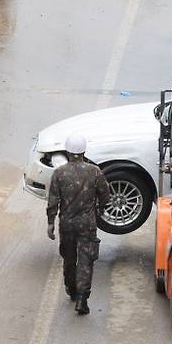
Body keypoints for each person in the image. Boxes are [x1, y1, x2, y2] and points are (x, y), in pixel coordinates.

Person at [47, 133, 110, 315]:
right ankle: (82, 298)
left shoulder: (59, 173)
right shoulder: (95, 171)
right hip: (87, 225)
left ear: (67, 151)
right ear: (84, 151)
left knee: (69, 258)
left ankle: (71, 289)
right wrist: (101, 209)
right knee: (85, 260)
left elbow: (53, 201)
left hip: (66, 225)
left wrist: (50, 223)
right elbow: (105, 195)